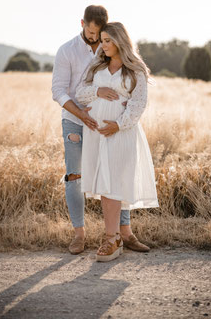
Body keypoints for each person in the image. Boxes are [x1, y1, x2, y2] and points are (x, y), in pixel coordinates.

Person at [52, 6, 150, 255]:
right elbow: (61, 91)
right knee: (76, 176)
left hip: (111, 128)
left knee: (117, 174)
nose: (97, 40)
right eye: (93, 33)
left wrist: (119, 117)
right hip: (77, 120)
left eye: (103, 37)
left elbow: (137, 98)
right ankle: (80, 235)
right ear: (82, 23)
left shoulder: (123, 60)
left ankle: (123, 233)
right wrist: (84, 112)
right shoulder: (68, 51)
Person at [75, 22, 159, 262]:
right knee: (104, 182)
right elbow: (80, 91)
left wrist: (118, 124)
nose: (103, 45)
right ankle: (113, 238)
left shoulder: (136, 70)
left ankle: (112, 238)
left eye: (108, 40)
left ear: (120, 40)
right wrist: (98, 91)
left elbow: (138, 103)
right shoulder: (97, 64)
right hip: (96, 132)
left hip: (121, 132)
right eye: (102, 40)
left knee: (113, 181)